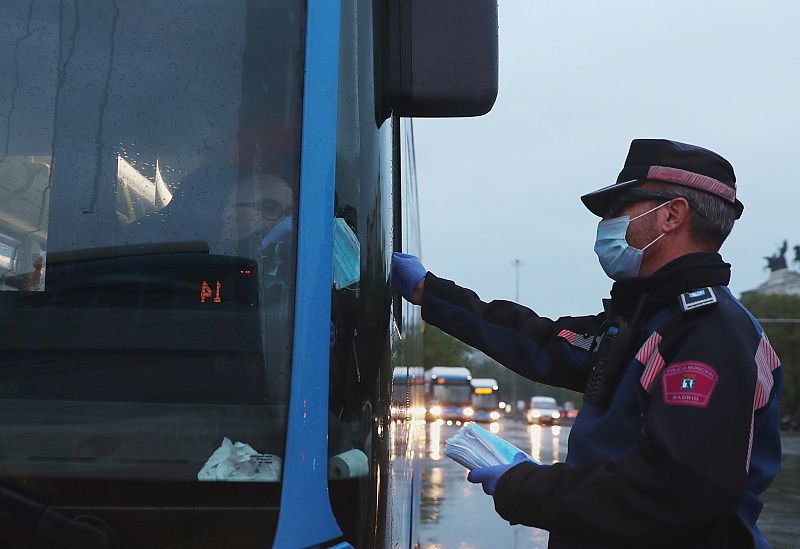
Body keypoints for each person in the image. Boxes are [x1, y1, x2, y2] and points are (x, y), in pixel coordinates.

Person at [392, 139, 782, 548]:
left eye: (619, 208)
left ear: (671, 215)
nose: (607, 222)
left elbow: (672, 493)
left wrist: (524, 486)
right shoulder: (649, 321)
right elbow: (542, 341)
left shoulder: (709, 335)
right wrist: (429, 292)